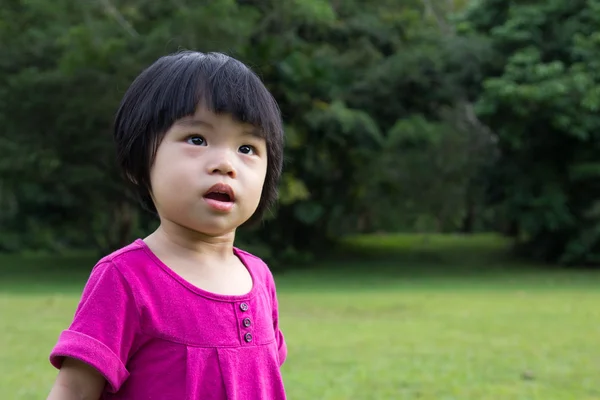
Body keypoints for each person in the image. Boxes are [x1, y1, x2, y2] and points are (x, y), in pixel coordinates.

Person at [46, 51, 287, 399]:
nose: (225, 163)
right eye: (197, 140)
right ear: (139, 160)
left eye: (247, 147)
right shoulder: (125, 278)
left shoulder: (259, 278)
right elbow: (74, 391)